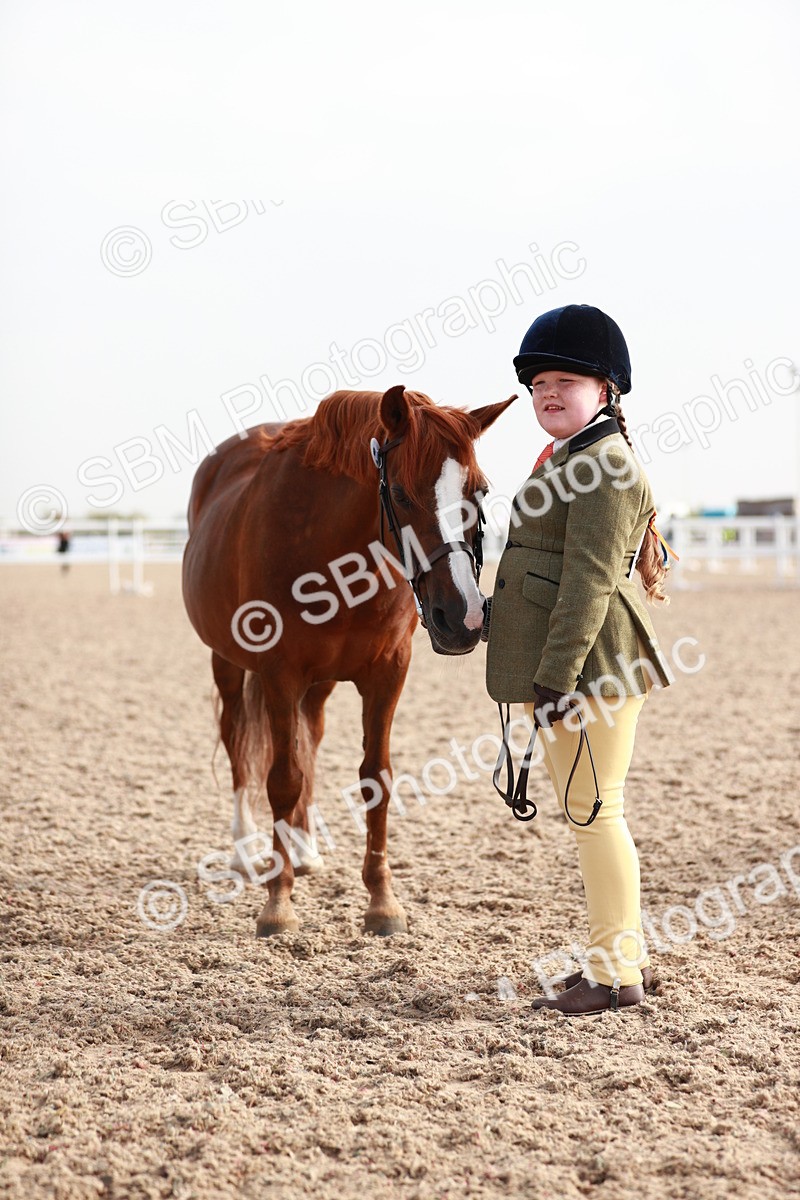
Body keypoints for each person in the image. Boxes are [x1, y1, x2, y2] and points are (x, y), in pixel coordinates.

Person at [484, 304, 675, 1015]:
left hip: (591, 668)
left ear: (606, 390)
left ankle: (615, 974)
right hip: (575, 666)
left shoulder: (603, 467)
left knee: (597, 813)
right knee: (591, 811)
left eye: (567, 380)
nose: (549, 394)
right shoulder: (571, 458)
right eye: (538, 385)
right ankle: (616, 959)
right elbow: (540, 571)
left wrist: (556, 678)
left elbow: (590, 581)